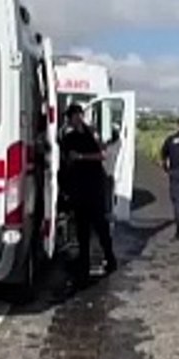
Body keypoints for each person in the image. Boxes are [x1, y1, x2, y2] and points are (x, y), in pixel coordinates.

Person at [59, 103, 116, 283]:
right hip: (80, 188)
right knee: (83, 229)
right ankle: (84, 265)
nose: (74, 119)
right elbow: (68, 158)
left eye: (76, 115)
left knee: (100, 226)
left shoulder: (92, 133)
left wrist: (83, 157)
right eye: (72, 116)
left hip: (93, 187)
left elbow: (102, 154)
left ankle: (109, 258)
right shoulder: (69, 137)